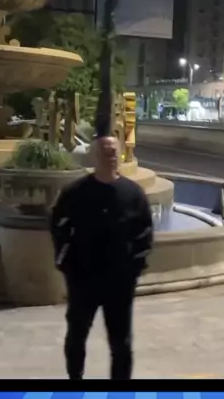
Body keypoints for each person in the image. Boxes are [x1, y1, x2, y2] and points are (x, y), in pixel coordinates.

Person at [50, 136, 154, 380]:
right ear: (94, 156)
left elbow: (145, 232)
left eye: (114, 152)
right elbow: (58, 226)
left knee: (121, 342)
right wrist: (65, 262)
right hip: (82, 278)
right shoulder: (75, 192)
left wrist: (135, 266)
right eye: (105, 152)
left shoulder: (133, 193)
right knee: (77, 335)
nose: (111, 157)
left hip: (119, 280)